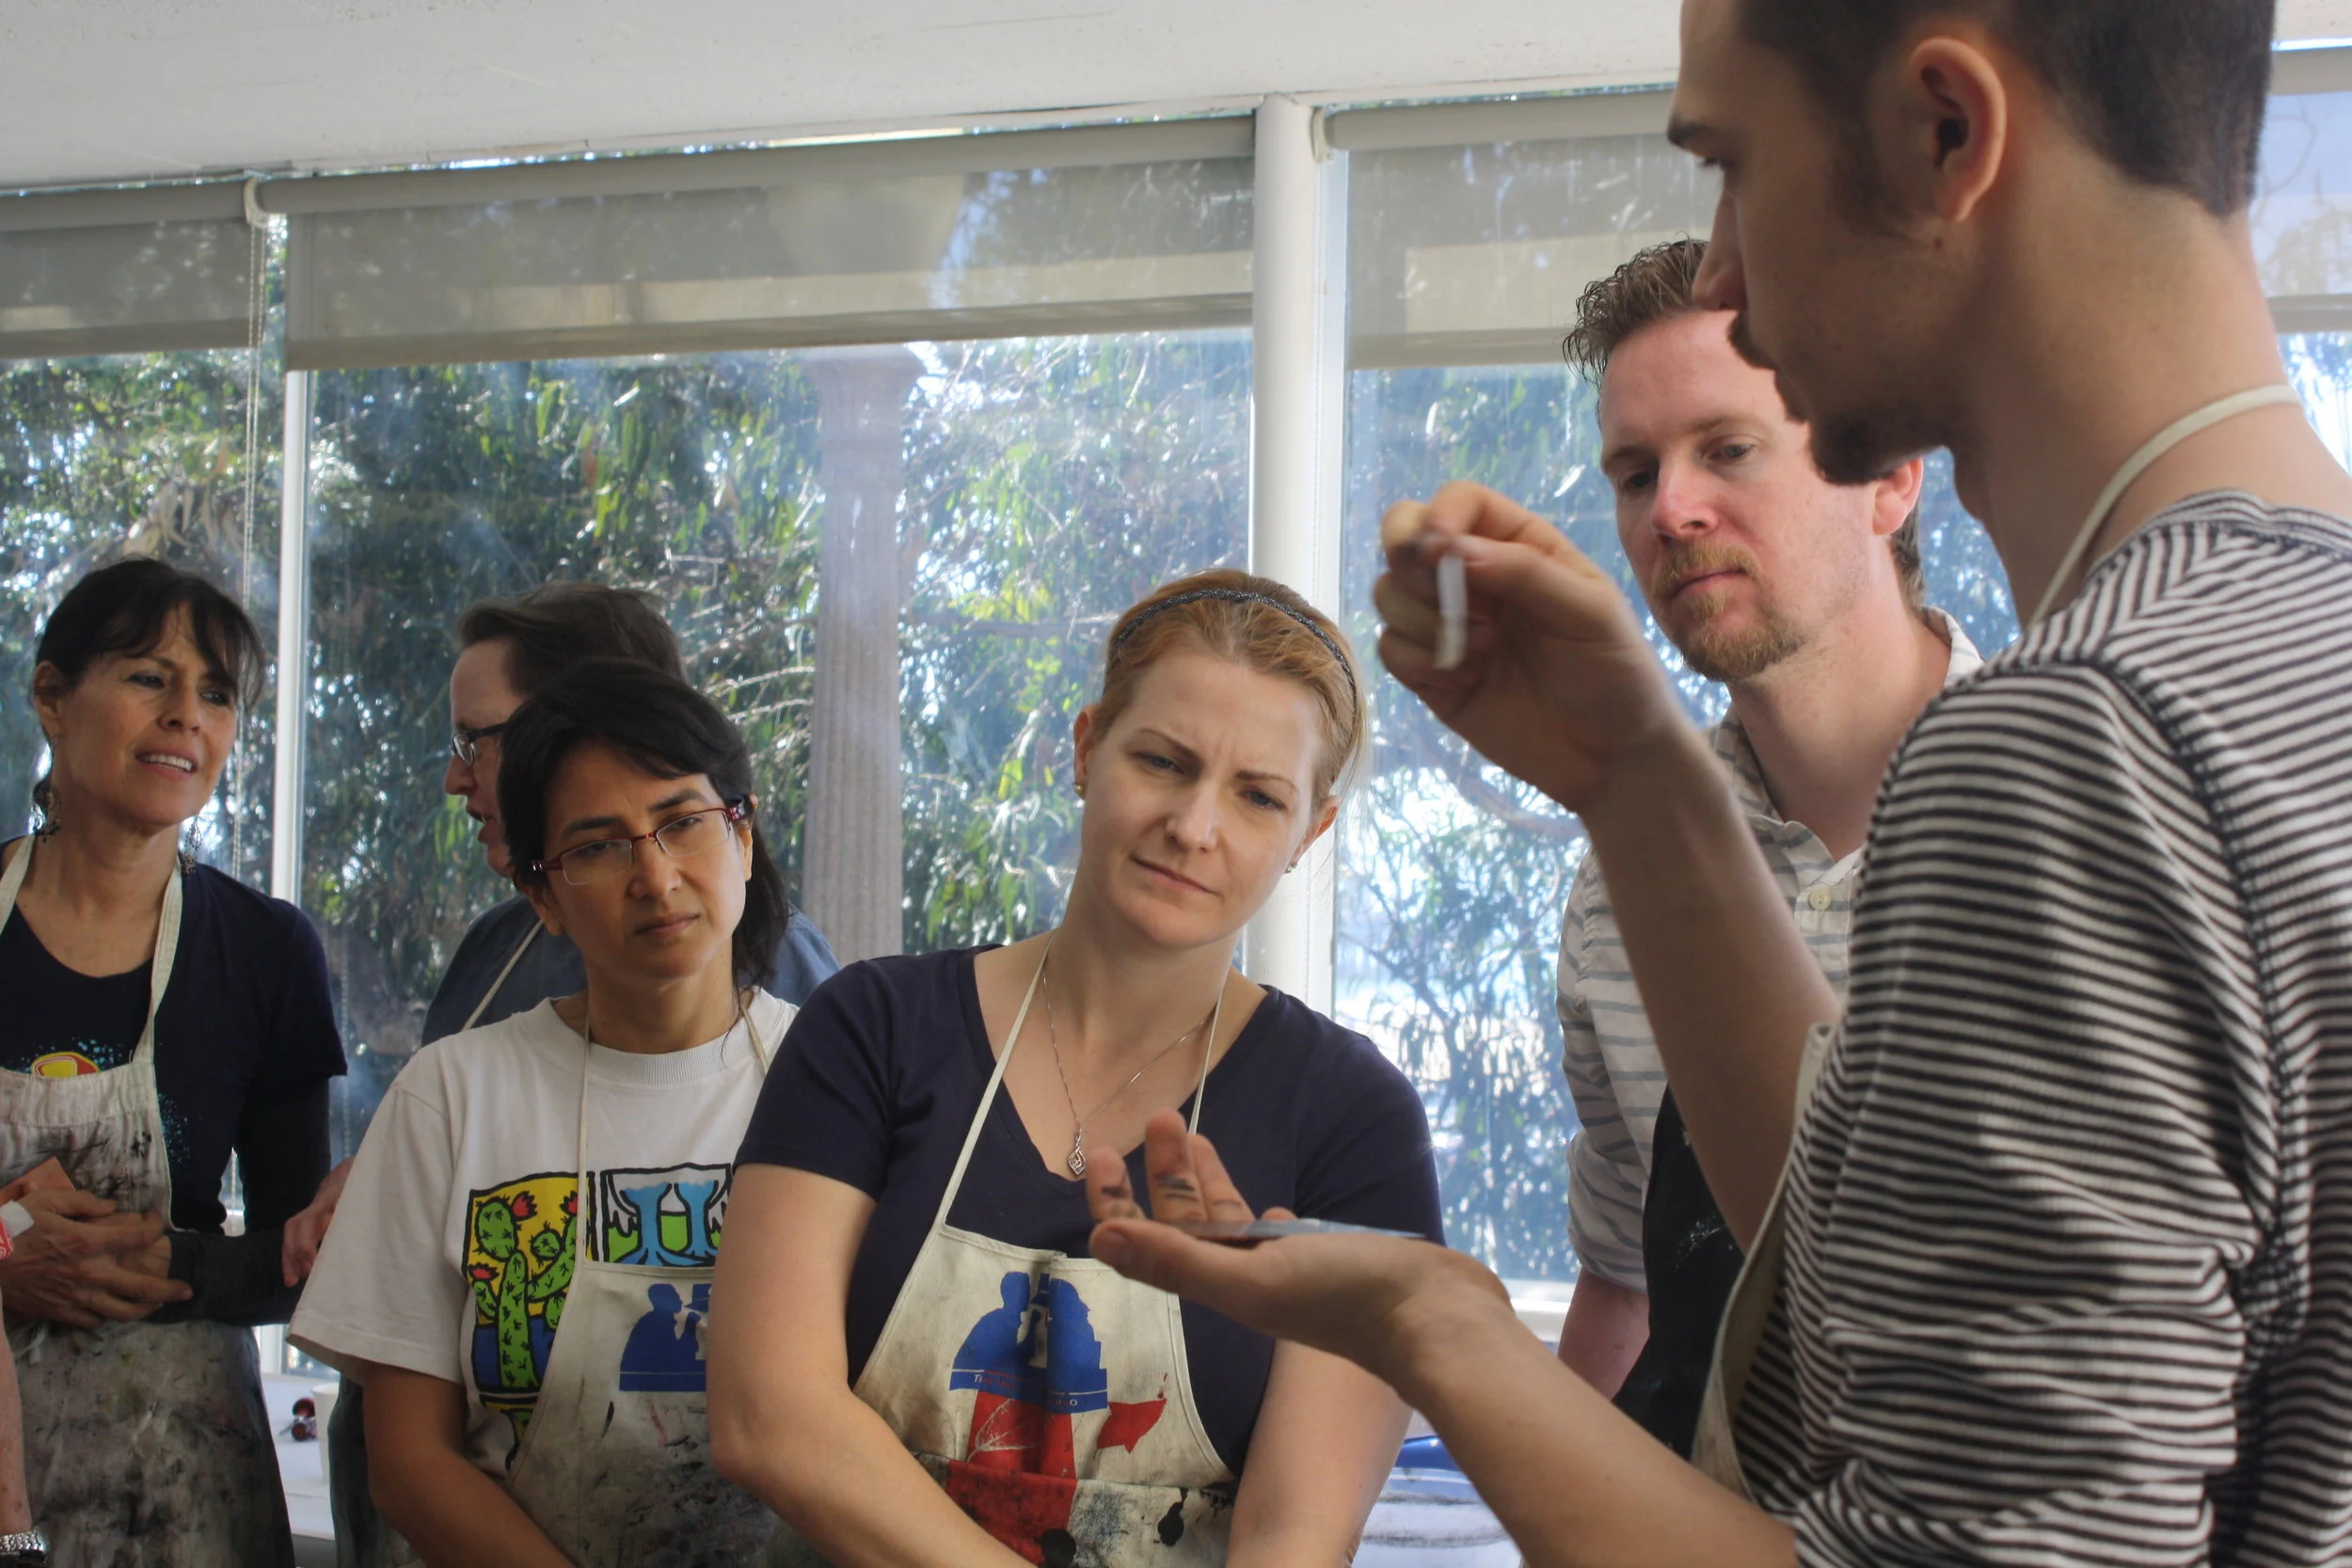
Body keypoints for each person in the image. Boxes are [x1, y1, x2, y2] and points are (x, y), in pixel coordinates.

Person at [1079, 1, 2352, 1564]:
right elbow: (1873, 1307)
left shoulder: (2073, 743)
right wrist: (1638, 779)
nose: (1731, 282)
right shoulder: (2291, 658)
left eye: (1734, 167)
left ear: (1946, 131)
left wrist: (1436, 1329)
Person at [707, 569, 1442, 1567]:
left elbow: (1295, 1534)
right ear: (1088, 748)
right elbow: (768, 1417)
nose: (1194, 825)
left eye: (1258, 794)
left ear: (1310, 830)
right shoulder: (874, 1027)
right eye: (1163, 761)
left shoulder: (1351, 1120)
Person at [278, 582, 839, 1568]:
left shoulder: (844, 1072)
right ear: (542, 889)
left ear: (742, 833)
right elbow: (410, 1459)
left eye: (683, 822)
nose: (655, 877)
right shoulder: (453, 1092)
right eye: (595, 845)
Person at [1549, 237, 1980, 1457]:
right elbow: (1634, 1288)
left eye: (1728, 448)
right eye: (1634, 473)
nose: (1671, 509)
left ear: (1890, 475)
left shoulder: (2063, 810)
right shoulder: (1619, 886)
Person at [0, 557, 344, 1566]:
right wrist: (11, 1249)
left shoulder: (268, 949)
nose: (187, 715)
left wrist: (171, 1265)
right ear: (53, 696)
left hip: (184, 1478)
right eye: (150, 676)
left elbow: (296, 1256)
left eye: (219, 692)